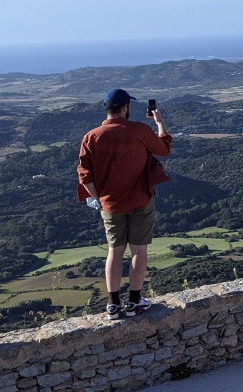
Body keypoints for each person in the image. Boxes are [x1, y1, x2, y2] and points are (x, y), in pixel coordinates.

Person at [77, 89, 172, 320]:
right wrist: (159, 123)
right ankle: (135, 301)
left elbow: (84, 175)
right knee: (139, 250)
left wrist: (99, 199)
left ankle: (112, 305)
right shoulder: (139, 130)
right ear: (126, 107)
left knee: (114, 252)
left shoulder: (91, 136)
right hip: (141, 200)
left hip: (110, 205)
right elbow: (164, 149)